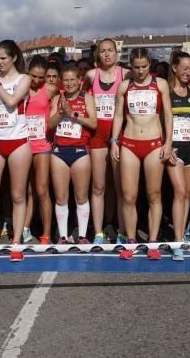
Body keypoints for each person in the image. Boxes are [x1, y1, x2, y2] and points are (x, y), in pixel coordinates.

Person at [110, 48, 174, 259]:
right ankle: (130, 240)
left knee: (154, 194)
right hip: (129, 142)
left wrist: (168, 142)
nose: (140, 71)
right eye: (136, 67)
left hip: (154, 143)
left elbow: (167, 114)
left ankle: (153, 242)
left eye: (144, 67)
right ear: (131, 66)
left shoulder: (160, 84)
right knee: (129, 196)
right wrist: (114, 141)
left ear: (150, 65)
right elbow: (118, 115)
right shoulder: (124, 86)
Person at [0, 41, 33, 261]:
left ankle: (16, 242)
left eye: (2, 58)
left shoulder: (24, 79)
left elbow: (12, 101)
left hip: (18, 141)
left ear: (13, 58)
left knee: (18, 195)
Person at [48, 63, 97, 244]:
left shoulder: (87, 98)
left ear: (80, 81)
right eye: (65, 80)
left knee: (81, 196)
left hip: (80, 150)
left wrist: (73, 114)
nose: (68, 84)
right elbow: (50, 125)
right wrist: (62, 112)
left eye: (72, 80)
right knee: (61, 197)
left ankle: (83, 236)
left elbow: (93, 124)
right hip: (59, 151)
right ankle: (62, 236)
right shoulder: (57, 99)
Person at [85, 39, 124, 243]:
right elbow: (82, 100)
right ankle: (98, 231)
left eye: (110, 50)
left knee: (119, 187)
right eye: (103, 51)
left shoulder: (125, 75)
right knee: (98, 186)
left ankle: (120, 229)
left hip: (119, 134)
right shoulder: (92, 76)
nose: (107, 54)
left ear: (117, 53)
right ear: (97, 55)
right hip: (98, 135)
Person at [166, 52, 190, 260]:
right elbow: (163, 121)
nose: (188, 72)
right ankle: (177, 240)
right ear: (175, 68)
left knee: (187, 194)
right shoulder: (166, 91)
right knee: (179, 192)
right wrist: (167, 146)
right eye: (185, 68)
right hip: (175, 148)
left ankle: (184, 234)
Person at [23, 56, 58, 245]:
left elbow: (67, 95)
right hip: (23, 145)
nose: (36, 81)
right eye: (33, 76)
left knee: (42, 190)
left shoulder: (50, 89)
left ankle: (46, 234)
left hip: (42, 145)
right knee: (26, 191)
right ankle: (25, 228)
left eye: (40, 77)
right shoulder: (22, 88)